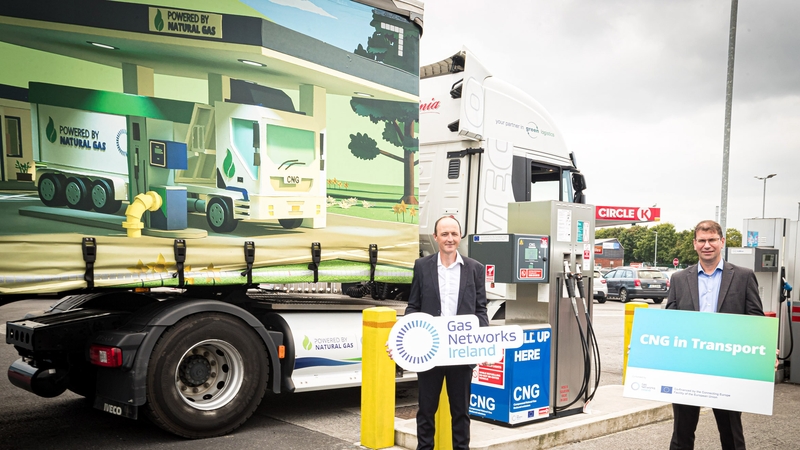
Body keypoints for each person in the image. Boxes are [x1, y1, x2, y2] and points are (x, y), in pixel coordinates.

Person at [666, 220, 764, 450]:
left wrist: (766, 349)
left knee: (731, 432)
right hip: (689, 365)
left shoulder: (743, 276)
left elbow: (755, 320)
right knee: (682, 432)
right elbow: (669, 322)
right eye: (702, 240)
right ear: (694, 244)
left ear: (722, 242)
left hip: (726, 366)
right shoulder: (680, 279)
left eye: (711, 240)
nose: (707, 245)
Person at [405, 215, 488, 450]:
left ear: (460, 237)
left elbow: (480, 310)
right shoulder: (422, 266)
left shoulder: (475, 269)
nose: (449, 239)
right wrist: (407, 337)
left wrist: (481, 341)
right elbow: (414, 306)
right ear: (435, 237)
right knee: (426, 410)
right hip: (430, 351)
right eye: (444, 234)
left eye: (454, 234)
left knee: (461, 412)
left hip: (461, 353)